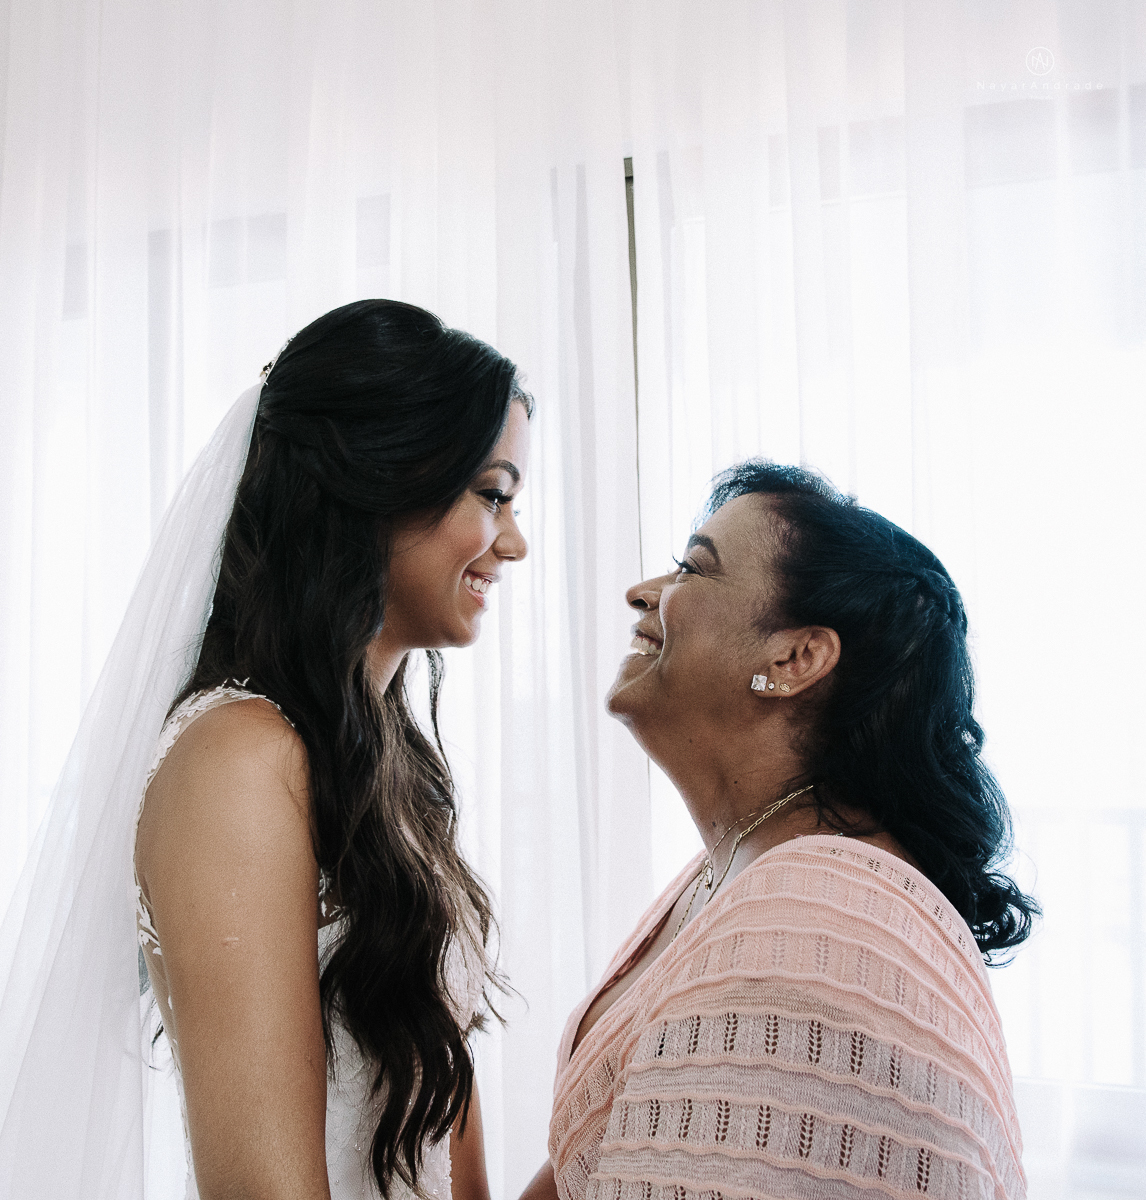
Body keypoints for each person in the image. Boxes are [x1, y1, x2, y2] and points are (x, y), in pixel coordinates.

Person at [0, 300, 531, 1200]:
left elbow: (440, 1130)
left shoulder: (387, 772)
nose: (512, 543)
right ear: (379, 480)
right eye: (492, 494)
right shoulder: (239, 761)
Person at [523, 461, 1034, 1200]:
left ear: (795, 658)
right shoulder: (735, 873)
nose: (643, 592)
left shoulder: (815, 916)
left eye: (692, 571)